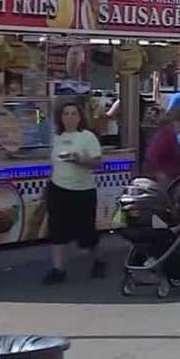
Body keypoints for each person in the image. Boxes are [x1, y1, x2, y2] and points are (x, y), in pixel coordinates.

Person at [42, 102, 105, 284]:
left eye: (73, 113)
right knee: (56, 230)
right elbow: (53, 164)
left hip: (82, 190)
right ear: (60, 118)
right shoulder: (56, 137)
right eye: (66, 114)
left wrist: (80, 160)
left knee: (86, 232)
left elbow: (97, 163)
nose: (69, 117)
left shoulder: (87, 137)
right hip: (58, 188)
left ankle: (98, 260)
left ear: (80, 117)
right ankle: (58, 269)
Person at [143, 106, 180, 186]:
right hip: (163, 177)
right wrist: (159, 173)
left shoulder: (172, 134)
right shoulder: (167, 134)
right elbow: (151, 155)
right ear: (176, 122)